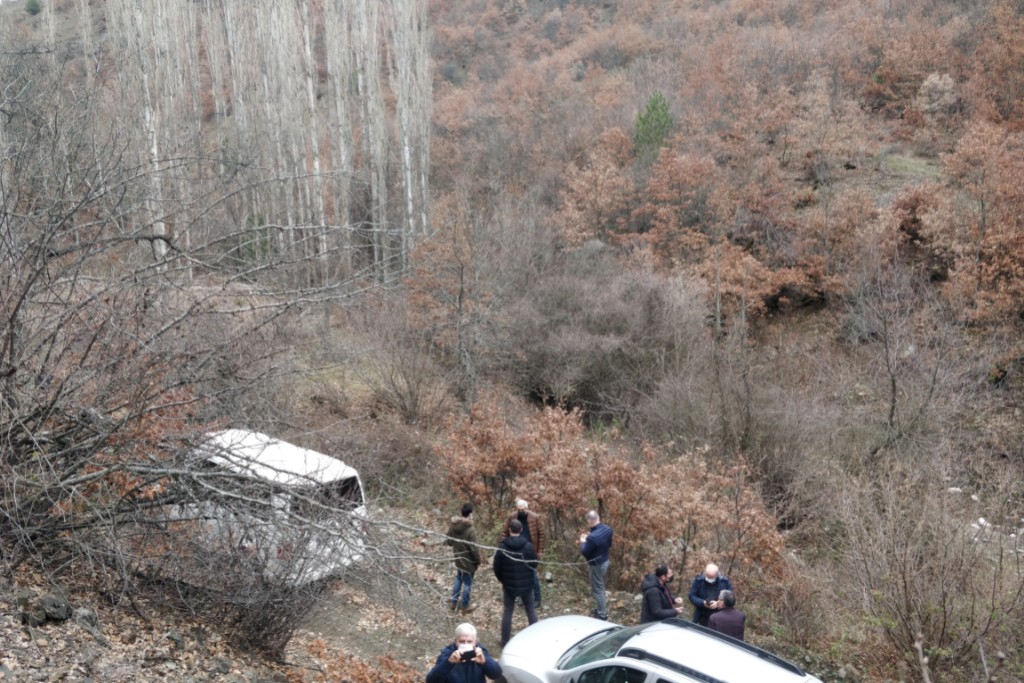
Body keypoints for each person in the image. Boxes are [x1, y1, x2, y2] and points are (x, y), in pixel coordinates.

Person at [493, 518, 539, 646]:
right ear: (521, 530)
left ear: (509, 530)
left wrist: (503, 580)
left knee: (508, 611)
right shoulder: (528, 546)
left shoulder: (502, 547)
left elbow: (496, 568)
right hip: (527, 585)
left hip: (509, 585)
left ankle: (504, 641)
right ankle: (537, 636)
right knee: (530, 610)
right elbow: (534, 564)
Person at [425, 622, 502, 683]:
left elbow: (496, 675)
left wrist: (485, 662)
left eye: (469, 642)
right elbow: (431, 680)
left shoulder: (480, 652)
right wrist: (448, 663)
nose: (465, 645)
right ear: (456, 641)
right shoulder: (448, 653)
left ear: (475, 642)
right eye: (462, 641)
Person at [502, 498, 544, 608]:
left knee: (532, 575)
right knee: (519, 575)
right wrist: (505, 545)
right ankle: (522, 597)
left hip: (530, 550)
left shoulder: (535, 517)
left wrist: (540, 550)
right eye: (518, 509)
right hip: (515, 549)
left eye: (522, 509)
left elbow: (542, 535)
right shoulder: (512, 517)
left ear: (526, 508)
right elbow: (505, 531)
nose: (520, 511)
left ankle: (537, 598)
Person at [445, 503, 481, 614]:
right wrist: (478, 561)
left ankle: (454, 602)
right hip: (468, 562)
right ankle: (465, 605)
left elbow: (448, 541)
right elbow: (473, 549)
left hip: (458, 558)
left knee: (458, 578)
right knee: (467, 582)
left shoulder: (453, 525)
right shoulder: (470, 530)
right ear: (470, 514)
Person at [578, 510, 613, 620]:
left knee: (597, 590)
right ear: (598, 518)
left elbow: (585, 552)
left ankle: (603, 614)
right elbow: (608, 544)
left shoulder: (592, 538)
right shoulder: (608, 529)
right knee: (600, 586)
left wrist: (583, 541)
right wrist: (590, 537)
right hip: (605, 561)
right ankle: (601, 609)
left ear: (589, 520)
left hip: (597, 565)